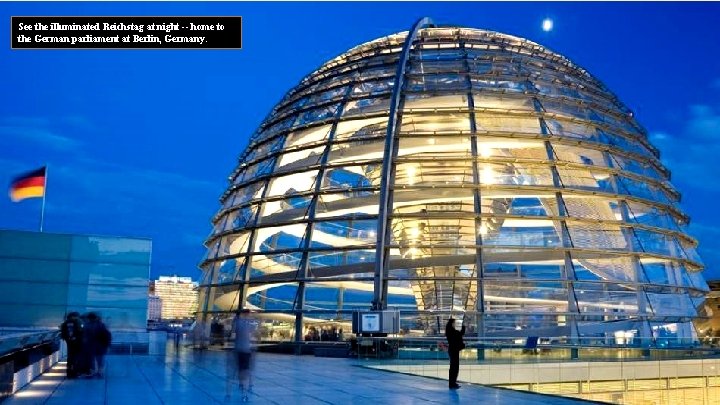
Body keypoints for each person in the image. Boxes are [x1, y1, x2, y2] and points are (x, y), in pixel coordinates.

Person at [226, 310, 257, 402]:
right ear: (247, 314)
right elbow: (253, 335)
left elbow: (232, 335)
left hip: (237, 350)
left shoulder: (237, 322)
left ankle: (228, 394)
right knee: (245, 373)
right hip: (246, 351)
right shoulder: (250, 323)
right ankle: (244, 395)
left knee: (232, 373)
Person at [84, 312, 112, 378]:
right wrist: (107, 344)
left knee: (91, 359)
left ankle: (92, 372)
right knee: (100, 359)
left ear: (89, 318)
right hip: (100, 345)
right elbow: (107, 335)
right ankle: (100, 372)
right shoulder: (101, 325)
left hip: (90, 345)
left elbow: (84, 336)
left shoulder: (86, 325)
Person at [60, 312, 83, 378]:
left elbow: (63, 333)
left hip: (69, 342)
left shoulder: (65, 323)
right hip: (77, 342)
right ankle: (75, 372)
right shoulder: (78, 322)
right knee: (76, 357)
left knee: (70, 357)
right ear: (74, 316)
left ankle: (69, 373)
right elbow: (81, 331)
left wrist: (67, 338)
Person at [445, 317, 465, 389]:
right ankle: (452, 383)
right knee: (454, 367)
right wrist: (462, 326)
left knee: (453, 367)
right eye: (455, 323)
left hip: (452, 349)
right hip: (454, 350)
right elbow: (460, 334)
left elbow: (460, 334)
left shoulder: (450, 331)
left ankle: (452, 382)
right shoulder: (452, 332)